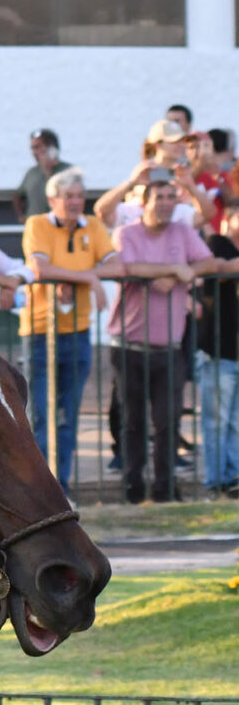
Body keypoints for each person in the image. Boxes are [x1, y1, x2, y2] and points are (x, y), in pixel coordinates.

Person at [110, 168, 215, 503]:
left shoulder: (183, 232)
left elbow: (208, 262)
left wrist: (185, 272)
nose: (167, 203)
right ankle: (133, 489)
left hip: (169, 347)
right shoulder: (127, 232)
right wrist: (175, 269)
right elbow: (129, 267)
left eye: (171, 197)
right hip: (128, 345)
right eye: (159, 197)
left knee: (168, 422)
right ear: (145, 203)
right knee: (132, 422)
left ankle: (164, 490)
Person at [22, 167, 117, 483]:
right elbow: (39, 268)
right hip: (40, 331)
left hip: (78, 332)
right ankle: (38, 490)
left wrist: (80, 278)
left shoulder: (93, 225)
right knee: (40, 418)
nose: (75, 202)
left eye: (79, 196)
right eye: (68, 196)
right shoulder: (37, 224)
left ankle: (60, 487)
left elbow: (117, 265)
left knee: (67, 419)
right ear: (52, 199)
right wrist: (87, 277)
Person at [192, 203, 239, 498]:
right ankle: (215, 480)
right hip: (219, 350)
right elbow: (219, 269)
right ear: (229, 220)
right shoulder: (217, 243)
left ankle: (233, 477)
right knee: (216, 421)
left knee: (234, 421)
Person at [15, 128, 62, 220]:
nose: (34, 152)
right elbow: (18, 195)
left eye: (38, 147)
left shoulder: (67, 171)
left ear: (52, 148)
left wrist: (48, 170)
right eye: (33, 148)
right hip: (34, 225)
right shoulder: (32, 173)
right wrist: (21, 216)